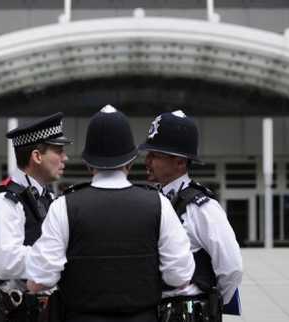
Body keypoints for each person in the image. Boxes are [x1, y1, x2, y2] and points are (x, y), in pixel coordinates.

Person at [26, 105, 195, 322]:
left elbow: (40, 279)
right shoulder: (159, 205)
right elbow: (180, 276)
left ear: (87, 162)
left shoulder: (64, 206)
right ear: (131, 161)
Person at [139, 110, 243, 322]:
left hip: (187, 312)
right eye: (148, 154)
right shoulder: (152, 200)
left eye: (155, 155)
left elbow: (231, 267)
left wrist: (210, 303)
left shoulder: (203, 208)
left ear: (180, 162)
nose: (147, 161)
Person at [0, 112, 72, 322]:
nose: (65, 158)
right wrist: (59, 258)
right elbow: (6, 262)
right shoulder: (5, 203)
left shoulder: (49, 198)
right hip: (24, 314)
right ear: (37, 156)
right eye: (59, 151)